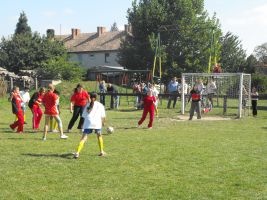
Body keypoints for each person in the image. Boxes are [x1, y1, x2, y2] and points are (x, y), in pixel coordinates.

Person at [73, 92, 106, 158]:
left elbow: (83, 116)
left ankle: (77, 153)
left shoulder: (87, 105)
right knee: (99, 136)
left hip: (88, 122)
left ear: (90, 97)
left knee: (83, 138)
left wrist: (81, 125)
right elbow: (103, 116)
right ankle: (101, 151)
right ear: (97, 97)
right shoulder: (100, 105)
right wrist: (103, 123)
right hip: (97, 123)